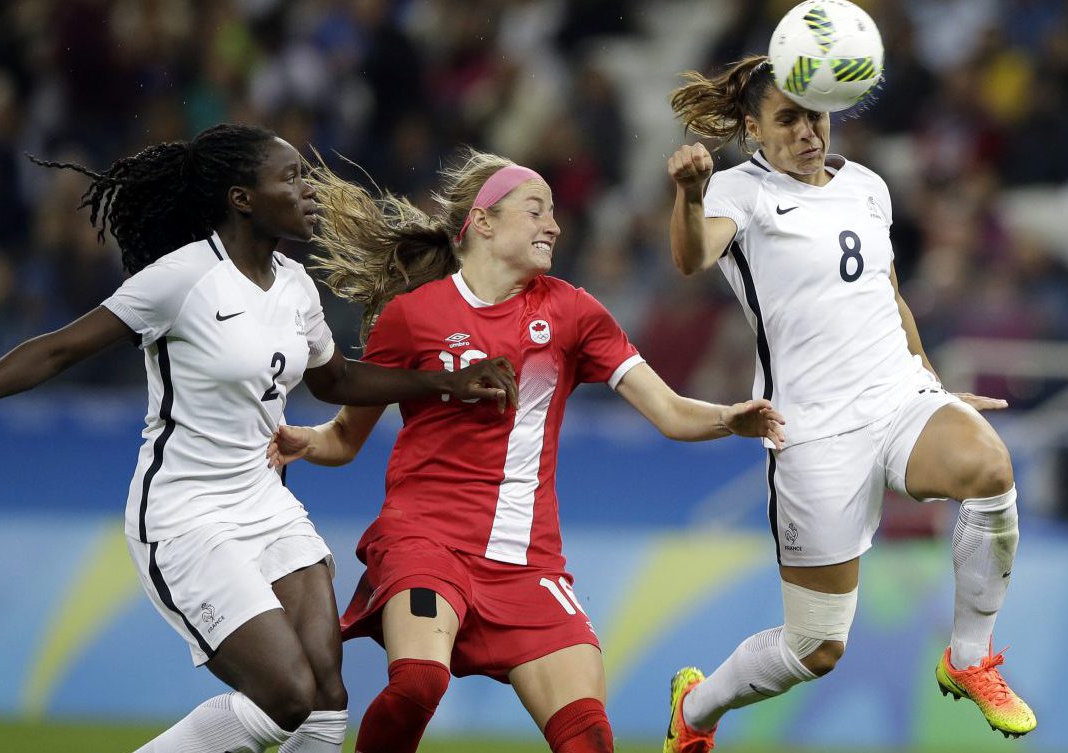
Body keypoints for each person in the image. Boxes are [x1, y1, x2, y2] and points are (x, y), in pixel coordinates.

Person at [0, 123, 517, 753]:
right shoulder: (182, 279)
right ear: (242, 198)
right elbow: (64, 347)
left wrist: (444, 383)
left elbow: (337, 379)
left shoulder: (294, 285)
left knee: (326, 702)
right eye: (288, 178)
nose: (306, 191)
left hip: (267, 505)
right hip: (185, 517)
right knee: (286, 695)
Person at [266, 148, 786, 753]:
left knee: (589, 739)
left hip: (528, 563)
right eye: (536, 210)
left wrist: (730, 418)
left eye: (555, 214)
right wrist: (306, 441)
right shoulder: (412, 318)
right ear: (482, 222)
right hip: (425, 541)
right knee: (417, 683)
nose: (555, 225)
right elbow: (346, 438)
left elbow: (668, 411)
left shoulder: (572, 312)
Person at [659, 55, 1036, 751]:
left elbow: (888, 297)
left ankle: (969, 656)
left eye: (817, 116)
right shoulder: (737, 191)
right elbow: (690, 258)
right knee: (816, 645)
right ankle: (697, 707)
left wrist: (929, 382)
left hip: (895, 395)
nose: (809, 133)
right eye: (789, 120)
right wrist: (687, 193)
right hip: (812, 430)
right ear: (753, 129)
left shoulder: (866, 185)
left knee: (989, 468)